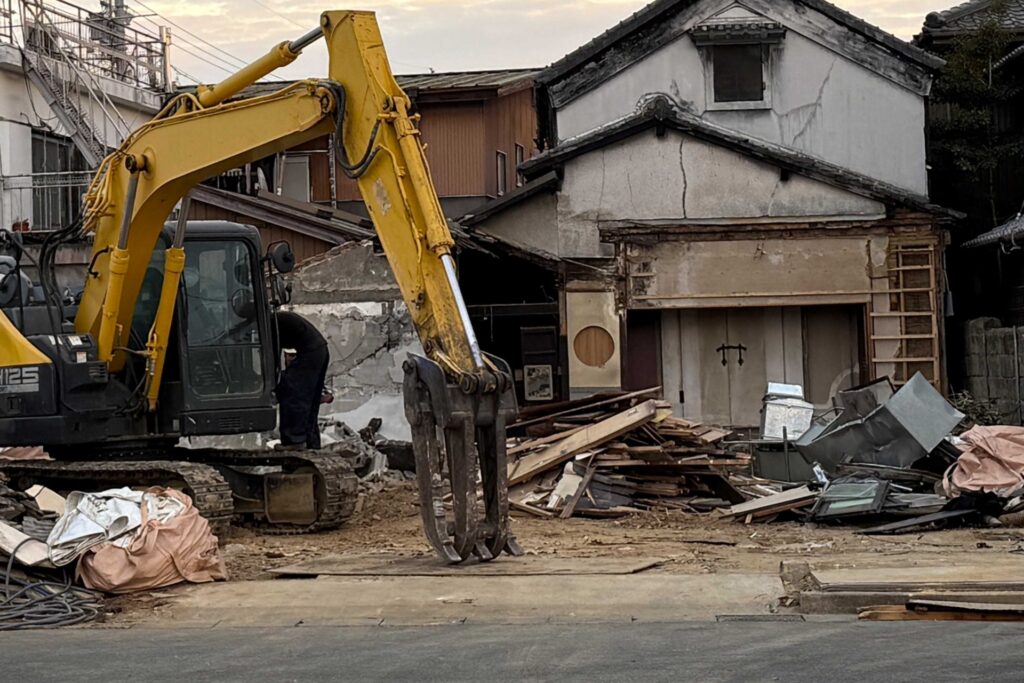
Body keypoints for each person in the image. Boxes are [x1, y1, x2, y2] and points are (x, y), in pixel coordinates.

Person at [274, 311, 330, 450]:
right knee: (311, 401)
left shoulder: (267, 325)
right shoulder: (277, 319)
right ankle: (312, 444)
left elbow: (272, 355)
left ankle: (294, 441)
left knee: (293, 394)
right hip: (320, 350)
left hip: (311, 351)